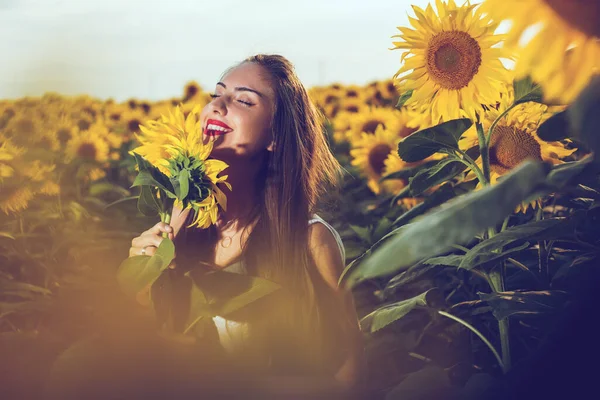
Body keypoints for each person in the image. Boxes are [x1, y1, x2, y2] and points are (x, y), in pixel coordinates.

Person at [128, 54, 366, 397]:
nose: (218, 106)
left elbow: (350, 375)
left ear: (275, 137)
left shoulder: (310, 240)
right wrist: (141, 281)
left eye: (243, 100)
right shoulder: (177, 220)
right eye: (216, 95)